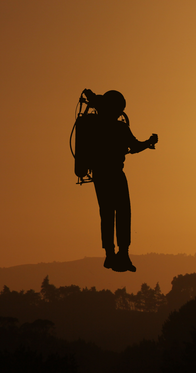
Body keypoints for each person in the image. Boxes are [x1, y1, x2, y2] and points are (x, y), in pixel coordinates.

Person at [83, 89, 157, 272]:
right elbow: (135, 146)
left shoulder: (94, 125)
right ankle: (122, 253)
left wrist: (93, 98)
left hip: (99, 176)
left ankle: (110, 254)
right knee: (123, 213)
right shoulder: (119, 128)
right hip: (115, 174)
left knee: (107, 213)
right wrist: (149, 142)